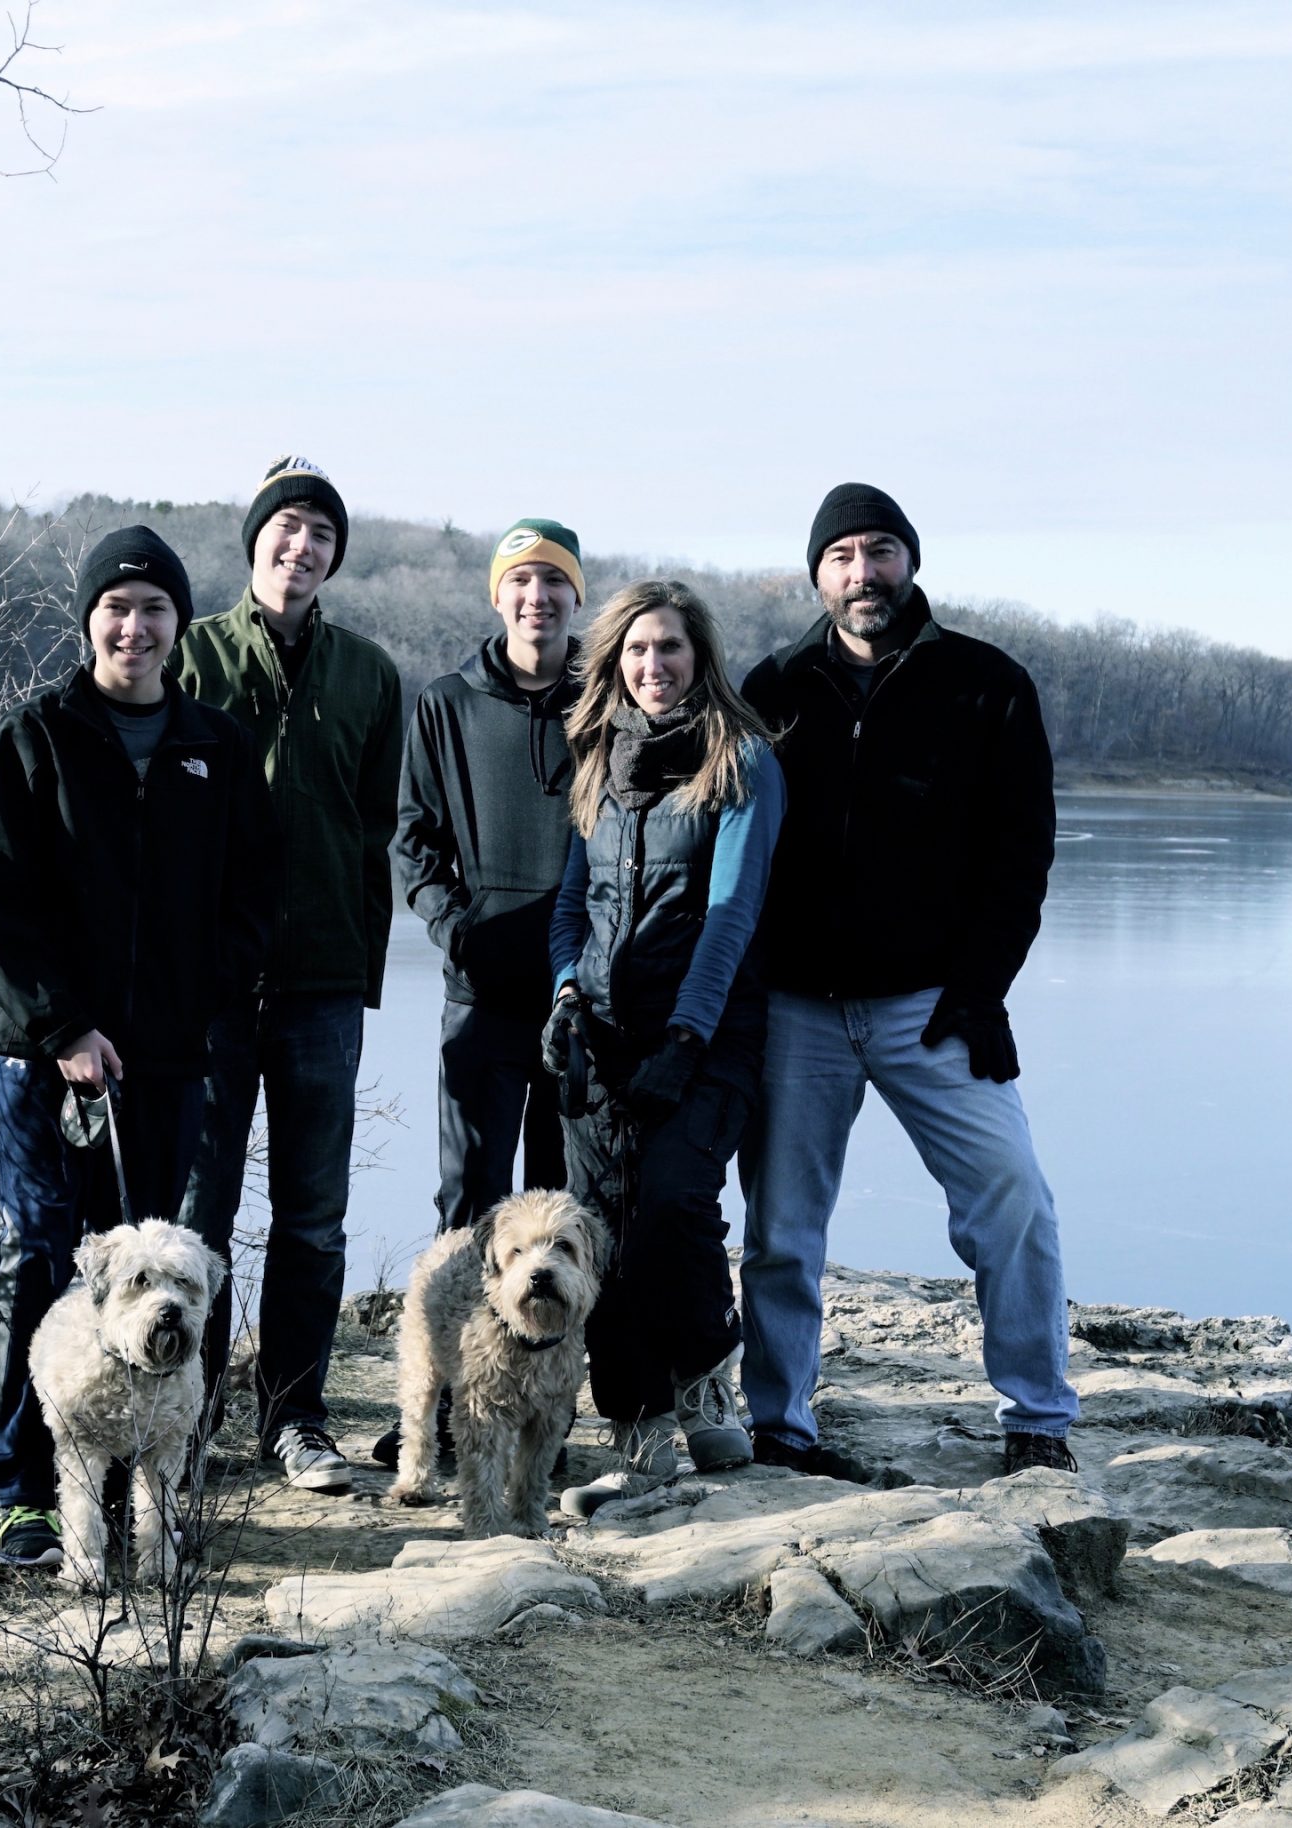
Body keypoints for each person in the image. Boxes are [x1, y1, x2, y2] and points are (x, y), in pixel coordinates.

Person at [738, 484, 1079, 1478]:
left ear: (909, 561)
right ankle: (780, 1428)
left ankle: (1037, 1421)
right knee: (781, 1231)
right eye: (840, 555)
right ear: (817, 574)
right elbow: (731, 846)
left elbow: (1022, 858)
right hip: (798, 1010)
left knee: (1012, 1198)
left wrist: (979, 988)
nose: (861, 572)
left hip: (936, 1007)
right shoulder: (774, 686)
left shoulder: (986, 683)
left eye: (878, 550)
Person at [0, 526, 274, 1567]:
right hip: (49, 1059)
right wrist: (64, 1027)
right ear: (89, 619)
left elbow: (251, 902)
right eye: (116, 606)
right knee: (45, 1263)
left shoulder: (216, 747)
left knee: (155, 1276)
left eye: (153, 608)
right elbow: (0, 901)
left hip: (171, 1059)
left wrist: (198, 1007)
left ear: (179, 625)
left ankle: (153, 1491)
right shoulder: (39, 734)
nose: (133, 626)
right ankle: (14, 1491)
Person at [175, 457, 404, 1493]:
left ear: (332, 555)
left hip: (321, 983)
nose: (300, 546)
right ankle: (188, 1414)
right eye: (286, 528)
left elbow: (373, 832)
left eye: (319, 533)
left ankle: (296, 1417)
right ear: (256, 541)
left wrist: (363, 965)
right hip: (210, 987)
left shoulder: (367, 673)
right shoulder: (192, 657)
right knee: (198, 1214)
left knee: (313, 1218)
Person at [542, 579, 786, 1513]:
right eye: (637, 650)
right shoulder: (596, 762)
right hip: (599, 1034)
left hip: (708, 1034)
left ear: (700, 656)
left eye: (671, 648)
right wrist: (566, 996)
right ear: (614, 661)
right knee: (599, 1224)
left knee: (677, 1205)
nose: (654, 666)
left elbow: (730, 916)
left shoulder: (743, 761)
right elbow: (574, 905)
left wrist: (688, 1036)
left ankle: (703, 1376)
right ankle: (637, 1414)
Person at [381, 518, 586, 1472]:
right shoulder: (447, 702)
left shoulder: (606, 699)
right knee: (469, 1203)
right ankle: (446, 1405)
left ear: (574, 598)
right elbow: (412, 836)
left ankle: (554, 1405)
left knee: (563, 1199)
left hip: (584, 994)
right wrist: (457, 926)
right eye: (521, 583)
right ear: (497, 596)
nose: (536, 598)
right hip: (482, 992)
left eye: (554, 583)